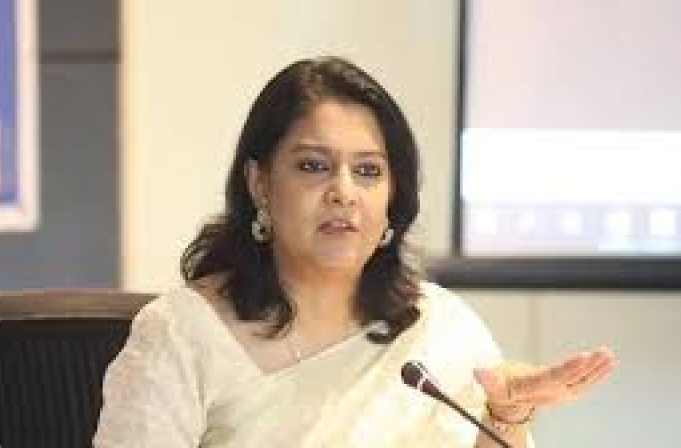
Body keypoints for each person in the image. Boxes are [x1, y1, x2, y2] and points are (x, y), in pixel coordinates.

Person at [94, 56, 616, 447]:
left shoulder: (442, 327)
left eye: (368, 171)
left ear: (392, 198)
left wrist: (505, 417)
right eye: (313, 166)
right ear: (260, 183)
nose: (343, 192)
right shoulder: (182, 334)